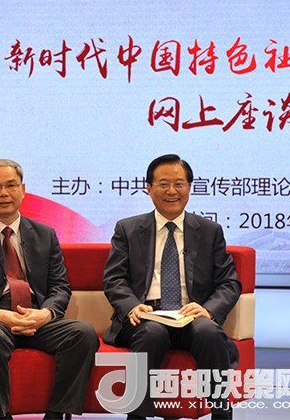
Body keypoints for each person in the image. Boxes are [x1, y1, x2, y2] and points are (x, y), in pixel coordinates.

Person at [0, 159, 99, 420]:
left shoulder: (45, 234)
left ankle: (56, 414)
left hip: (36, 317)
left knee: (83, 333)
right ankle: (2, 414)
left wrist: (46, 314)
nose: (4, 193)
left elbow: (60, 286)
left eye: (11, 185)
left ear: (23, 189)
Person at [103, 154, 241, 420]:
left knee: (209, 332)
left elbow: (229, 282)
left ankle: (221, 412)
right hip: (145, 316)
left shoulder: (209, 230)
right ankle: (137, 416)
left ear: (189, 187)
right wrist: (132, 306)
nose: (172, 191)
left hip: (190, 315)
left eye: (179, 184)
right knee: (151, 333)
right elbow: (114, 278)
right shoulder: (128, 229)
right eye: (163, 184)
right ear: (148, 188)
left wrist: (208, 310)